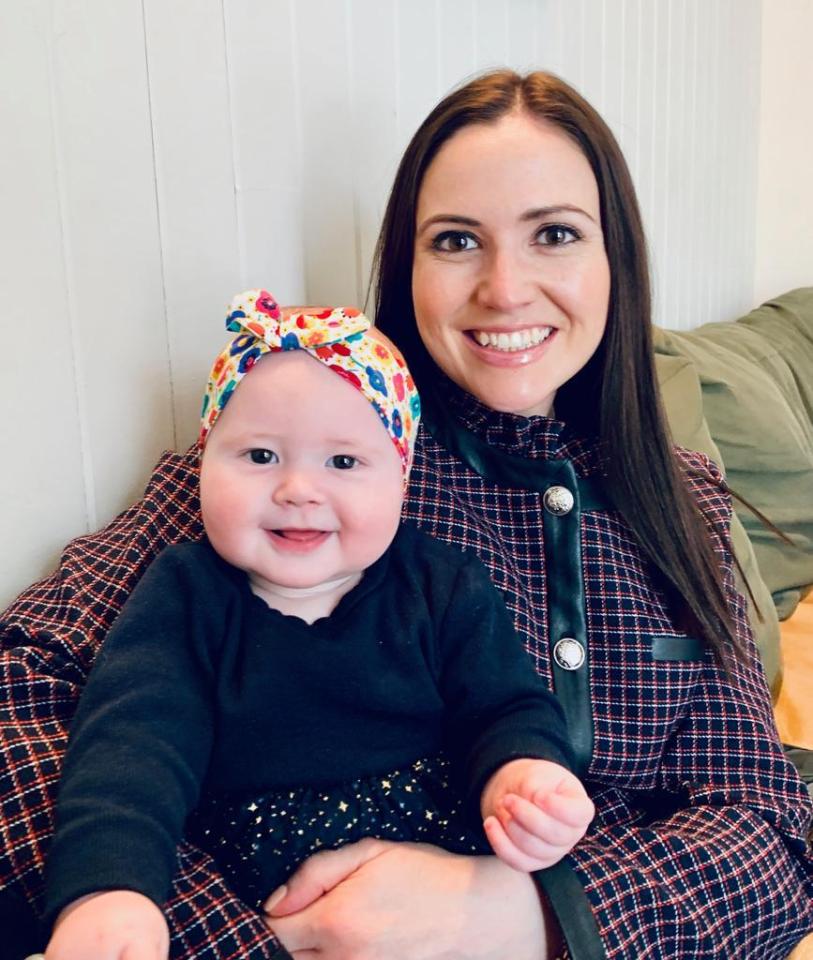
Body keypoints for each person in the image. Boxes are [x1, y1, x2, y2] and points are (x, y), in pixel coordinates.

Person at [1, 68, 811, 960]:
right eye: (457, 239)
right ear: (407, 265)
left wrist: (527, 919)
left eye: (554, 234)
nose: (505, 288)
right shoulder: (306, 459)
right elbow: (24, 688)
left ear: (613, 257)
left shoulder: (679, 496)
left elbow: (771, 835)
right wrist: (219, 934)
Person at [41, 293, 592, 960]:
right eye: (260, 456)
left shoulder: (440, 583)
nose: (298, 489)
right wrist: (110, 892)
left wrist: (522, 775)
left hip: (432, 883)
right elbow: (130, 748)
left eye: (342, 462)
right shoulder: (186, 594)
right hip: (254, 898)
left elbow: (503, 705)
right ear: (204, 459)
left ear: (401, 478)